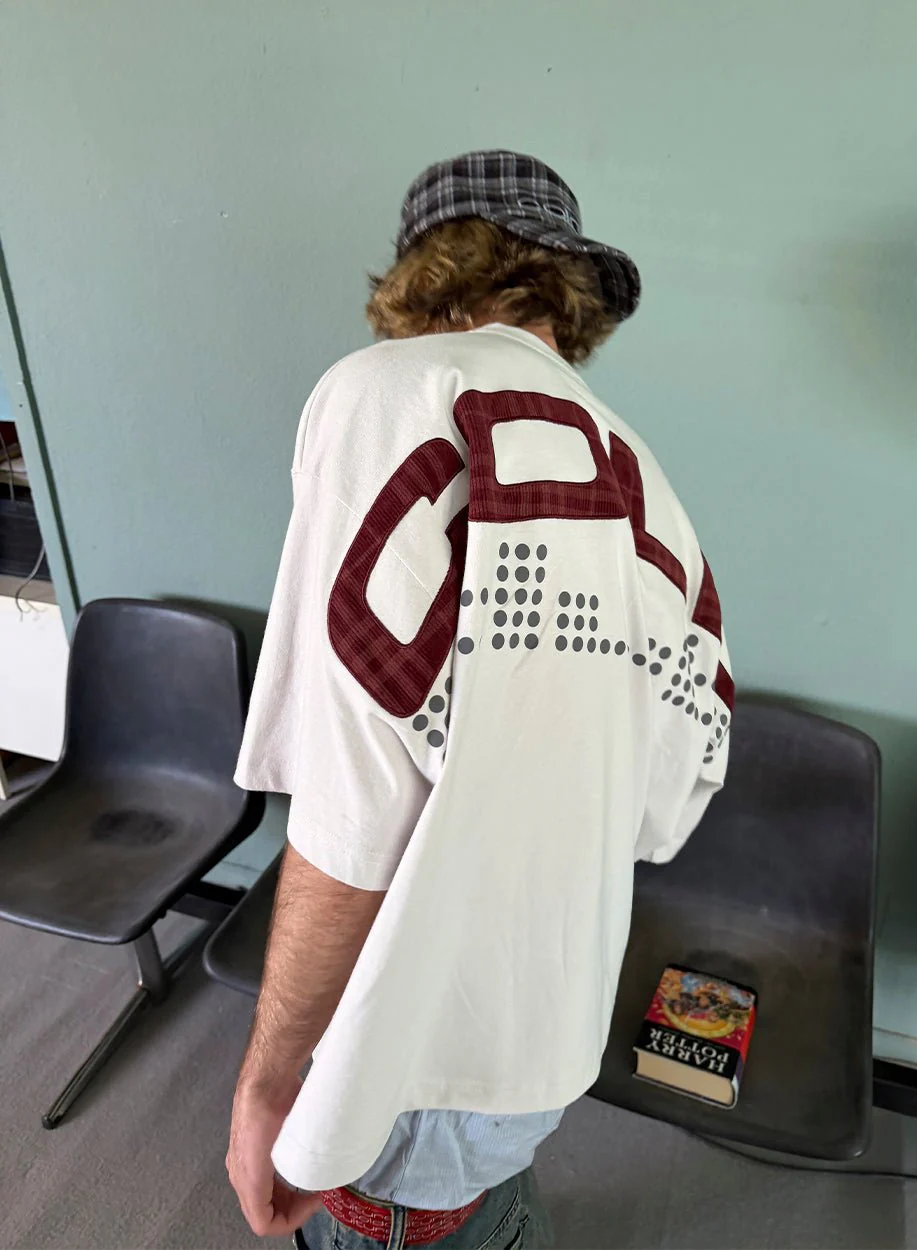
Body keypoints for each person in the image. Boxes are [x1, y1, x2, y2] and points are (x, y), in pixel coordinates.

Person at [226, 150, 733, 1249]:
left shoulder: (392, 394)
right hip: (550, 1003)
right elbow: (668, 802)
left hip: (410, 1016)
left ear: (423, 271)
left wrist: (270, 1078)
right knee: (482, 1205)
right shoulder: (646, 482)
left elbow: (356, 803)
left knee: (391, 1221)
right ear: (570, 292)